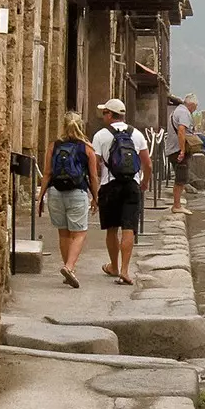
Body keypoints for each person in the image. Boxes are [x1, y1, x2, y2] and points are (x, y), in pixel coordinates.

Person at [37, 111, 99, 288]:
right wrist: (96, 198)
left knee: (63, 233)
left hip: (55, 192)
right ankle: (69, 267)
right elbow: (93, 177)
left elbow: (47, 173)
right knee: (79, 233)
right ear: (81, 126)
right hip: (77, 193)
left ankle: (68, 270)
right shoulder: (87, 148)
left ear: (63, 126)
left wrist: (41, 197)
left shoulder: (53, 146)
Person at [92, 99, 149, 285]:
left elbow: (95, 164)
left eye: (104, 113)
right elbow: (147, 163)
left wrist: (95, 187)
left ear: (110, 115)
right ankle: (125, 270)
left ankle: (114, 266)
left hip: (110, 185)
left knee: (111, 228)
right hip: (132, 185)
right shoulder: (137, 134)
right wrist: (144, 182)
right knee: (128, 228)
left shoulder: (101, 135)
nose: (103, 117)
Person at [167, 95, 197, 212]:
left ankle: (177, 204)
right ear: (191, 105)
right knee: (180, 177)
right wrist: (183, 150)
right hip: (177, 149)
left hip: (174, 148)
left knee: (181, 177)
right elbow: (181, 131)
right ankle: (177, 205)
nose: (195, 109)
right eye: (195, 107)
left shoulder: (177, 111)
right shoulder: (184, 113)